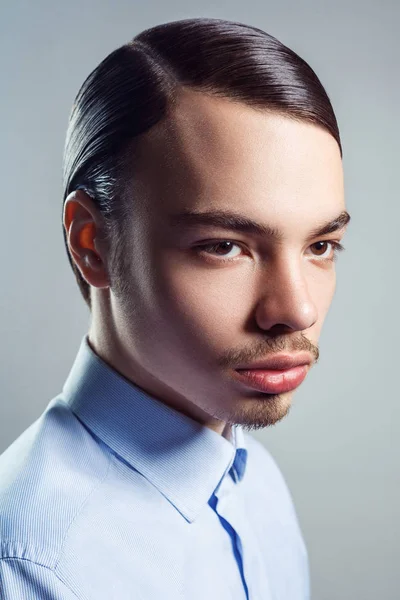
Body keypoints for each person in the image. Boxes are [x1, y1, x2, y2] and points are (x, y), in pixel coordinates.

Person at [0, 17, 350, 600]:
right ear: (94, 244)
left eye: (320, 246)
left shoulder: (255, 480)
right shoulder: (28, 565)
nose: (296, 309)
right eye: (224, 246)